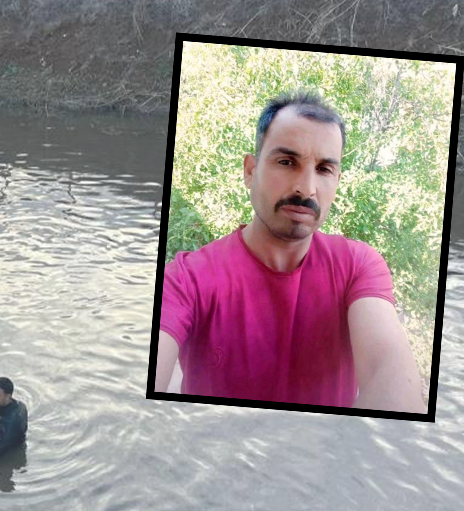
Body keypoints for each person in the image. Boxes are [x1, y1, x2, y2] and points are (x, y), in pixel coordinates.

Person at [154, 90, 425, 413]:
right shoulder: (187, 278)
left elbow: (392, 375)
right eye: (286, 162)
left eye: (324, 169)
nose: (306, 188)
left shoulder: (357, 266)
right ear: (250, 171)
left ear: (337, 180)